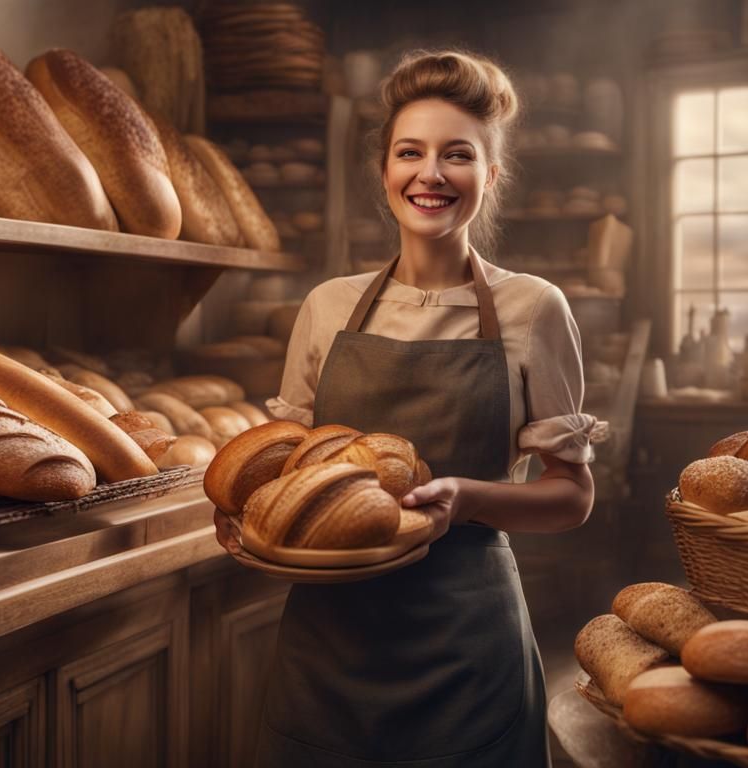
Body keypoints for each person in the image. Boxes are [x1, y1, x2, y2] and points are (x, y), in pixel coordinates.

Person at [213, 49, 606, 767]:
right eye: (410, 153)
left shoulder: (534, 308)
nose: (431, 174)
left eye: (457, 155)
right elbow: (284, 463)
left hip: (467, 644)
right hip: (326, 644)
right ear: (385, 171)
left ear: (491, 175)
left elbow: (572, 495)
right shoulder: (328, 306)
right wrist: (244, 512)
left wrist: (467, 499)